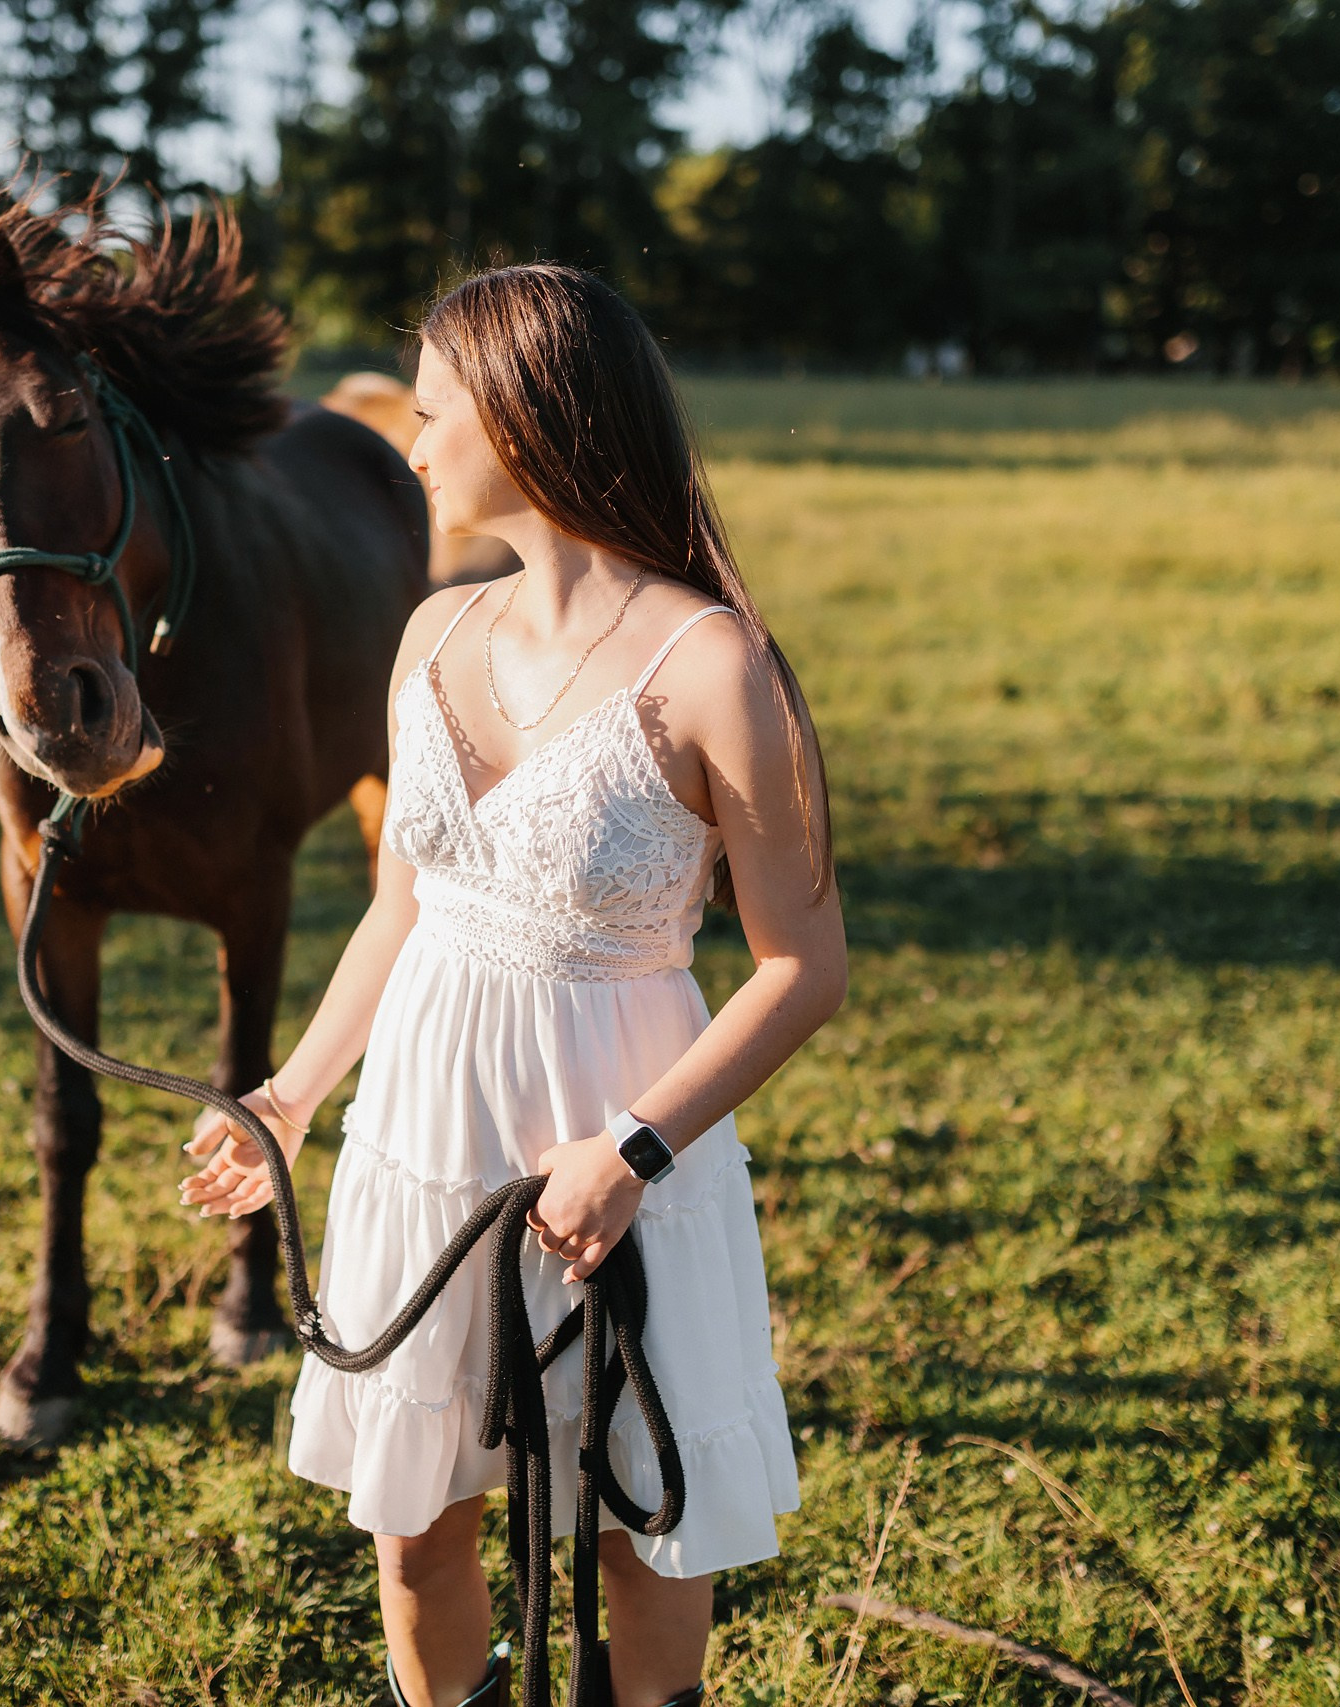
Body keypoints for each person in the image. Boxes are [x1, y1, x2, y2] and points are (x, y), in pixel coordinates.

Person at [180, 264, 849, 1707]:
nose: (407, 445)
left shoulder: (713, 663)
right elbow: (400, 910)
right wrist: (291, 1098)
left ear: (528, 420)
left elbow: (804, 967)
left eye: (432, 414)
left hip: (619, 1133)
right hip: (424, 1136)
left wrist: (634, 1149)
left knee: (638, 1526)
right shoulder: (430, 632)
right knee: (414, 1525)